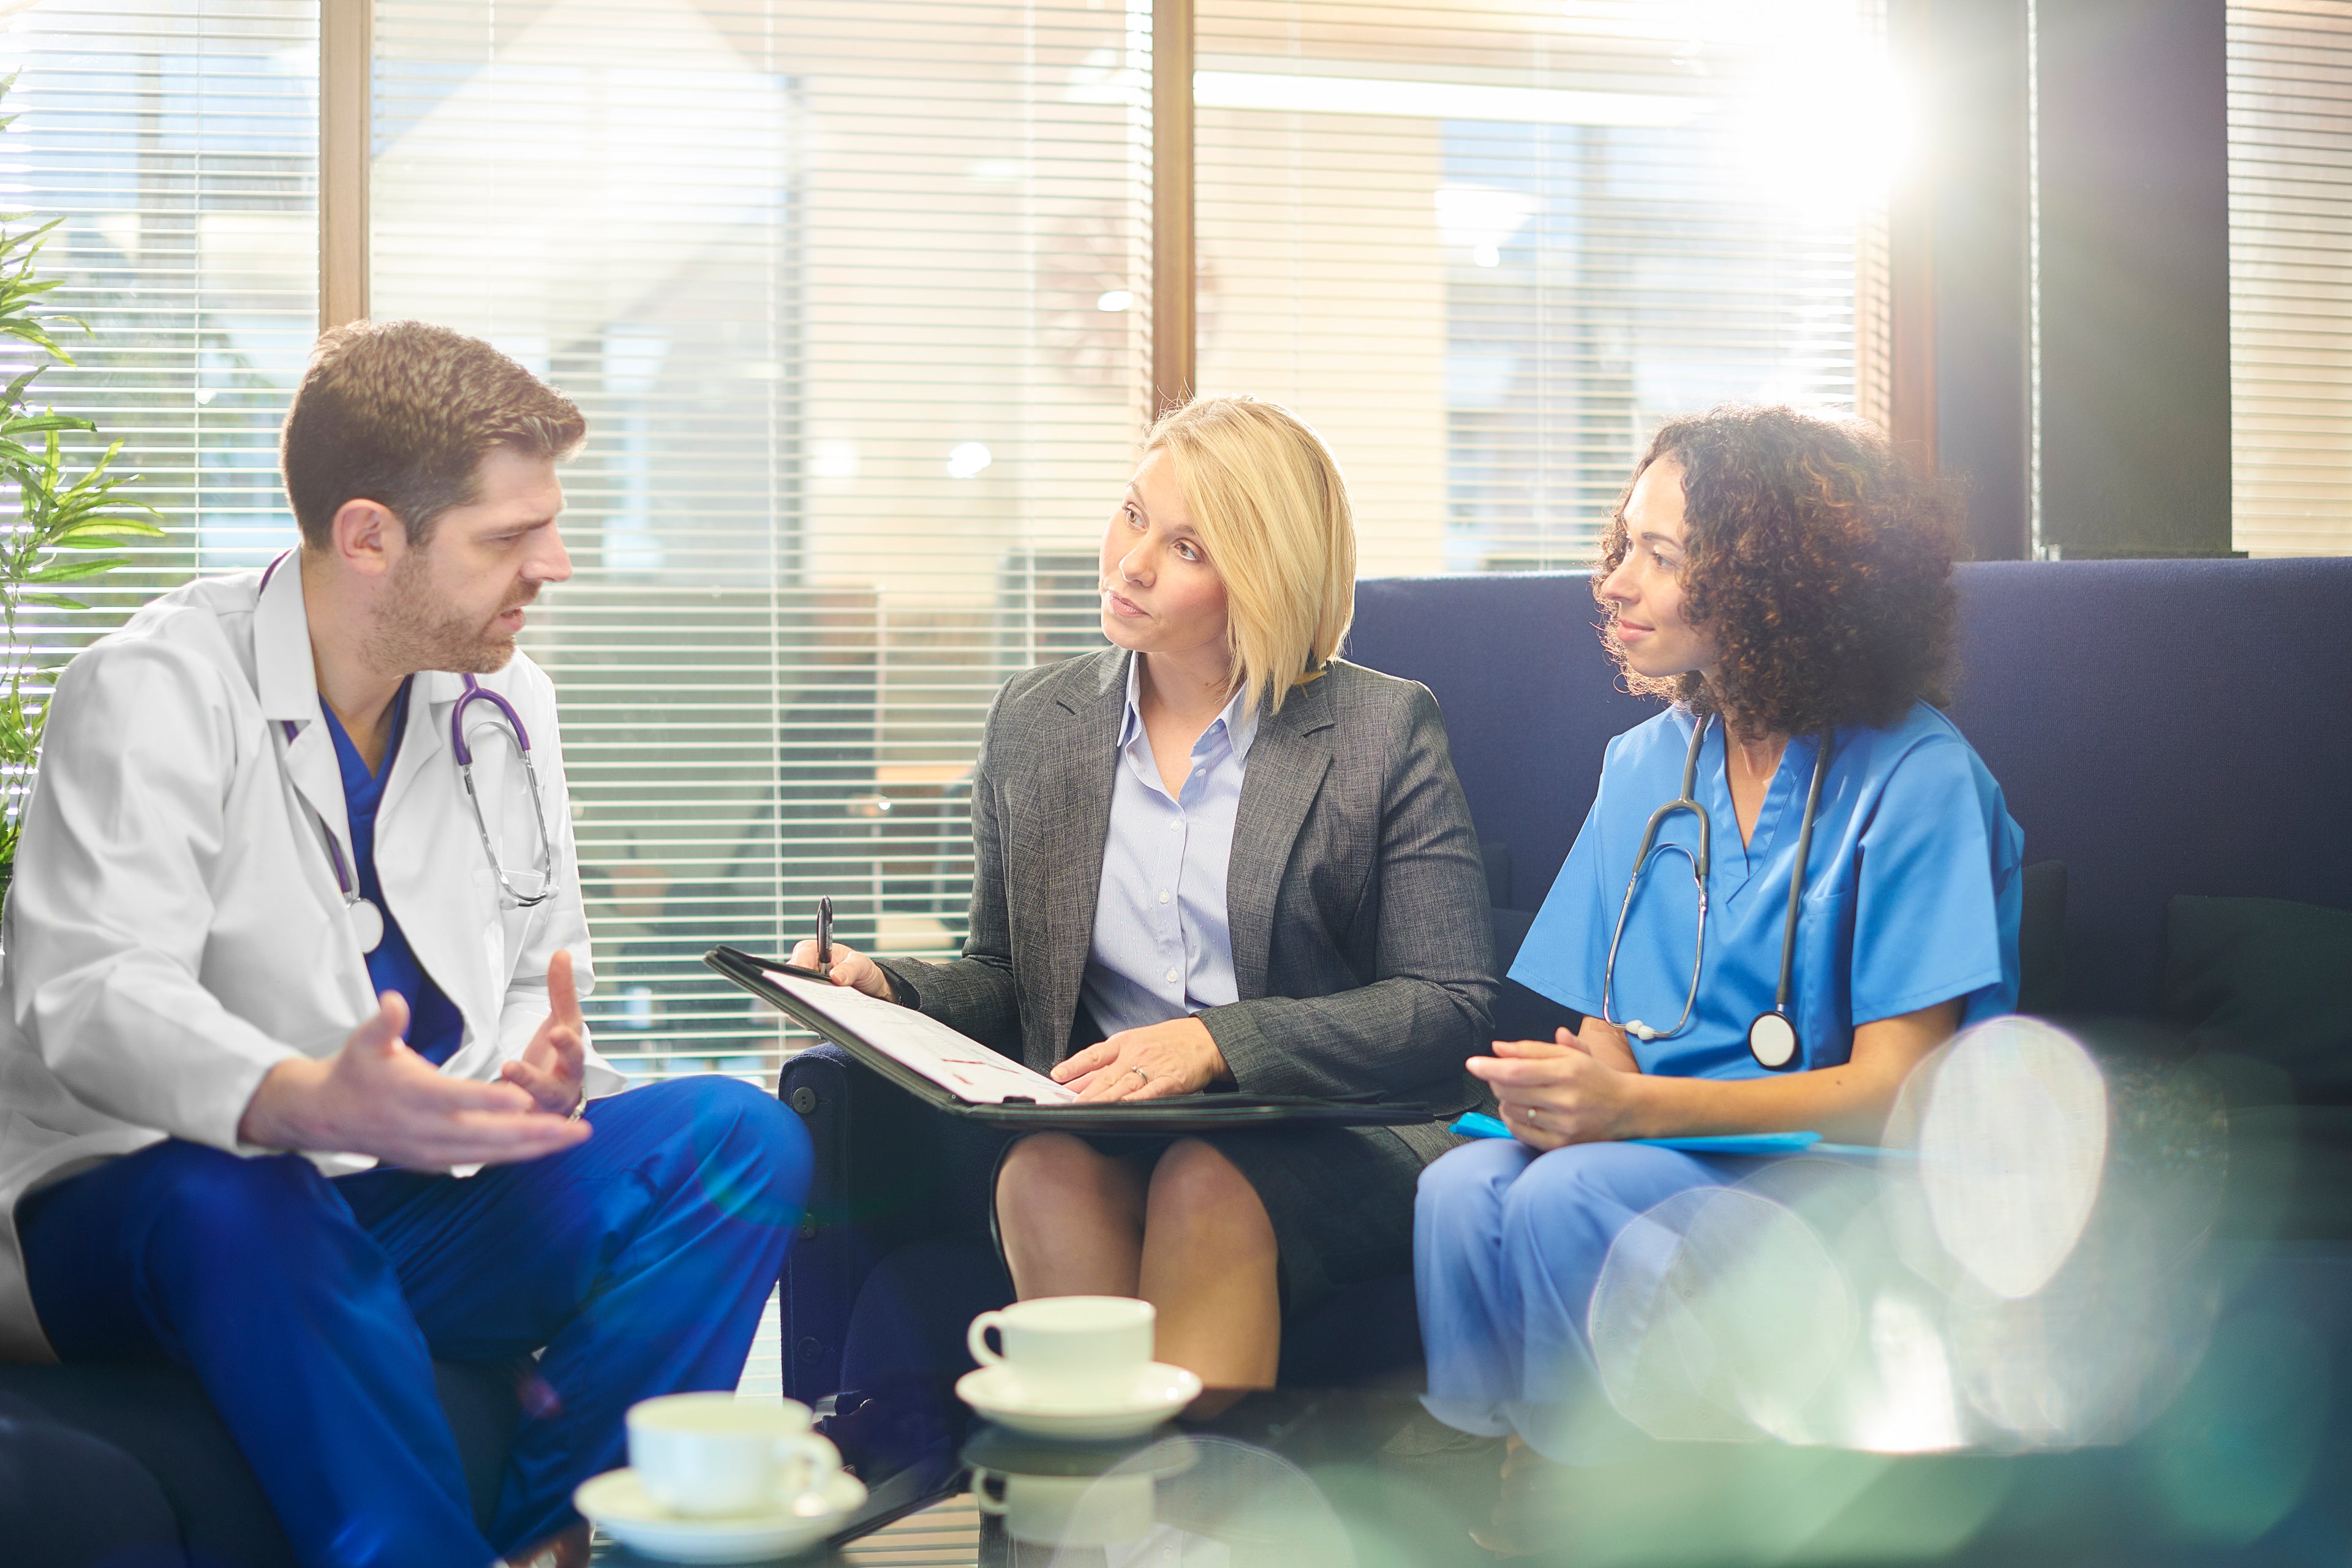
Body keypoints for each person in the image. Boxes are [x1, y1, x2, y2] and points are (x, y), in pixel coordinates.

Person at [0, 320, 811, 1568]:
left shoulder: (505, 699)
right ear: (370, 534)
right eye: (509, 537)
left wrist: (531, 1081)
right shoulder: (155, 687)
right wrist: (295, 1094)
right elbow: (91, 993)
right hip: (159, 1214)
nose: (557, 563)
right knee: (246, 1186)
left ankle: (561, 1535)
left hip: (406, 1204)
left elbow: (548, 973)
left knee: (738, 1139)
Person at [793, 395, 1497, 1388]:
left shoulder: (1381, 730)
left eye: (1187, 547)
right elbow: (1008, 974)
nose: (1130, 562)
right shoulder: (1038, 720)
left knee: (1204, 1184)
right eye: (1132, 515)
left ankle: (1190, 1521)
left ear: (1262, 579)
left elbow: (1447, 1000)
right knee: (1040, 1171)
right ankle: (1093, 1526)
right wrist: (888, 989)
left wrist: (1217, 1043)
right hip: (1106, 1124)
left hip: (1320, 1126)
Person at [1414, 404, 2023, 1463]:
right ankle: (1469, 1481)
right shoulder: (1644, 765)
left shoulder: (1920, 779)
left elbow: (1897, 1093)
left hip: (1846, 1176)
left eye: (1661, 556)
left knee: (1569, 1193)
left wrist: (1635, 1107)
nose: (1614, 581)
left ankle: (1581, 1502)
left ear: (1776, 583)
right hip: (1664, 1143)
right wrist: (1579, 1081)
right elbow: (1609, 1016)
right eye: (1623, 545)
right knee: (1458, 1190)